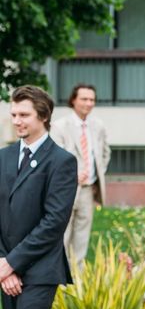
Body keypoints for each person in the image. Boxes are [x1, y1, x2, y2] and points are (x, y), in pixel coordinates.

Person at [0, 85, 77, 309]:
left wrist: (12, 263)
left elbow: (53, 222)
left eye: (24, 115)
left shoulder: (61, 161)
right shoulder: (3, 157)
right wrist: (3, 264)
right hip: (6, 268)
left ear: (43, 116)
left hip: (41, 269)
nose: (17, 121)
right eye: (13, 114)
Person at [50, 83, 111, 266]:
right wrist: (71, 176)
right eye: (84, 99)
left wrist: (96, 174)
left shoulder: (97, 126)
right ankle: (59, 282)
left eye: (92, 99)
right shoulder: (60, 126)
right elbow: (54, 158)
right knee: (62, 237)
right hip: (65, 191)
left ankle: (78, 284)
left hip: (87, 191)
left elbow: (105, 153)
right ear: (73, 100)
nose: (89, 103)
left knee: (82, 239)